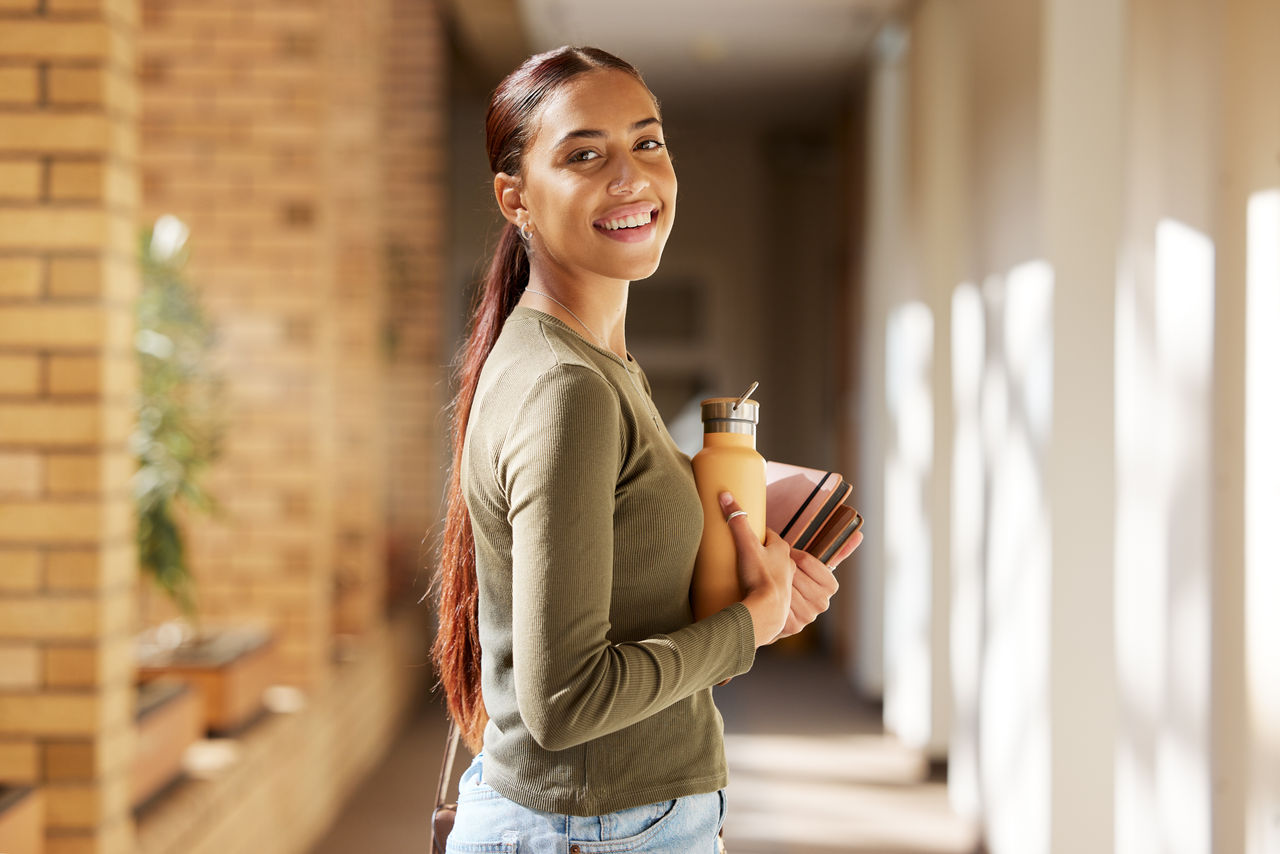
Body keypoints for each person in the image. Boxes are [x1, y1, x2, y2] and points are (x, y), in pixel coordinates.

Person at [433, 46, 862, 853]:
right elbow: (565, 699)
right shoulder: (569, 386)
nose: (630, 177)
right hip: (597, 829)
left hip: (600, 821)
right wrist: (751, 624)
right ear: (515, 198)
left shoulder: (593, 364)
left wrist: (724, 548)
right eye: (584, 154)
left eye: (648, 142)